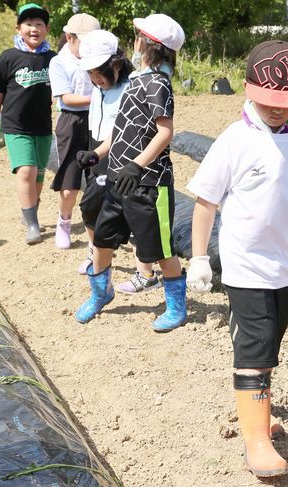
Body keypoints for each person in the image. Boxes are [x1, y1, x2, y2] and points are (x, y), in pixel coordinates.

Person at [186, 40, 288, 479]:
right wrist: (199, 257)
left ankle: (259, 410)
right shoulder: (236, 140)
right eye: (268, 101)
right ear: (249, 91)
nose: (276, 110)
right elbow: (205, 201)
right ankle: (257, 441)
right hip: (245, 264)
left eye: (285, 103)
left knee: (270, 343)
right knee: (255, 343)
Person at [72, 13, 186, 332]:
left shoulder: (158, 84)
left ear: (147, 44)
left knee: (160, 249)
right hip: (122, 180)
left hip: (150, 184)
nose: (133, 42)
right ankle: (101, 293)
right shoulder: (136, 80)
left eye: (137, 37)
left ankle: (177, 306)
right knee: (104, 239)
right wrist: (96, 153)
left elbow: (165, 132)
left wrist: (138, 164)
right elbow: (122, 130)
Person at [0, 2, 56, 245]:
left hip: (43, 127)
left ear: (47, 29)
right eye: (28, 24)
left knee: (38, 177)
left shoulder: (52, 59)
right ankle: (33, 224)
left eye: (39, 24)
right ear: (18, 28)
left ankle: (30, 212)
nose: (34, 28)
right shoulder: (9, 57)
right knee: (25, 170)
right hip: (15, 126)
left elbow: (61, 88)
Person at [70, 27, 137, 278]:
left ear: (116, 64)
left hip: (117, 152)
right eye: (91, 73)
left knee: (128, 211)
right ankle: (93, 249)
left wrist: (97, 152)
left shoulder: (130, 88)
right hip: (96, 146)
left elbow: (120, 132)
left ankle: (145, 270)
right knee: (90, 205)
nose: (96, 78)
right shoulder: (99, 89)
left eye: (100, 72)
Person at [48, 11, 98, 250]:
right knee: (70, 184)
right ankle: (64, 222)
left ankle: (96, 232)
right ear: (69, 38)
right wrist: (95, 98)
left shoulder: (101, 58)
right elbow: (66, 97)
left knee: (98, 178)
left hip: (97, 118)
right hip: (72, 121)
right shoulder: (59, 62)